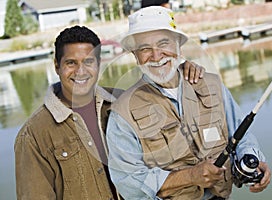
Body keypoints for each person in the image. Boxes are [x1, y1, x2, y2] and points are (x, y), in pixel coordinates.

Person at [14, 25, 204, 200]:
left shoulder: (125, 102)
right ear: (57, 66)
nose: (81, 71)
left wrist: (182, 71)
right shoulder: (33, 135)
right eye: (71, 63)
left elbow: (166, 91)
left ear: (98, 63)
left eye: (88, 61)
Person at [106, 6, 271, 200]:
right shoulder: (122, 112)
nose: (156, 55)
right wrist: (190, 177)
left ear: (178, 47)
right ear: (135, 56)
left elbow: (241, 134)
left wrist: (252, 158)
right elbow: (128, 183)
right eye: (145, 49)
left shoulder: (212, 84)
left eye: (163, 43)